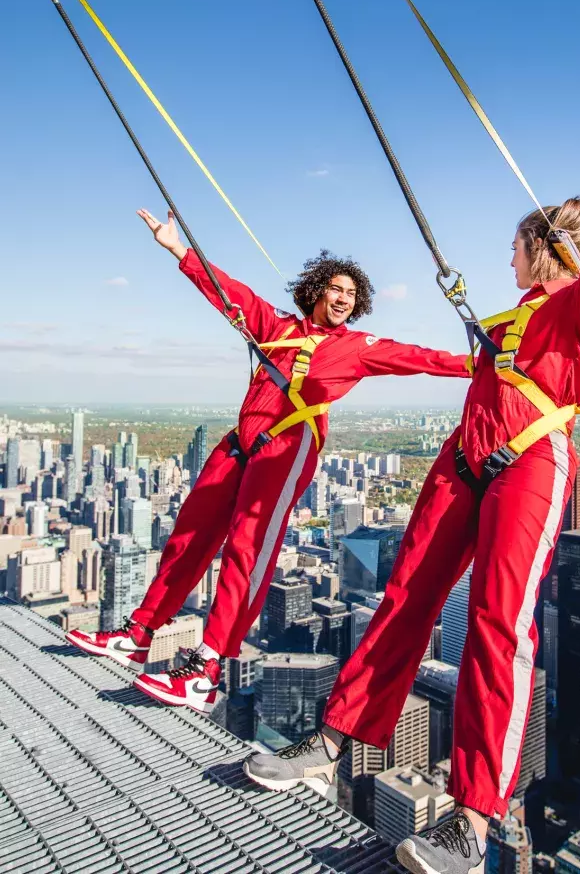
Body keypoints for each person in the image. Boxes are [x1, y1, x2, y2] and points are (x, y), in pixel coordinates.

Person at [244, 94, 580, 874]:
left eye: (516, 249)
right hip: (464, 457)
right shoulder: (512, 318)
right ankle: (339, 736)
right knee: (407, 592)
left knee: (497, 622)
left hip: (530, 460)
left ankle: (474, 818)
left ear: (541, 247)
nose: (507, 260)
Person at [67, 209, 471, 714]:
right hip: (241, 441)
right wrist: (178, 250)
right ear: (316, 291)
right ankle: (141, 632)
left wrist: (479, 364)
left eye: (351, 293)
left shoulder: (356, 348)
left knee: (247, 549)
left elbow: (418, 357)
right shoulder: (275, 325)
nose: (343, 299)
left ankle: (208, 667)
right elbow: (227, 291)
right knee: (189, 536)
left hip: (287, 444)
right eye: (335, 288)